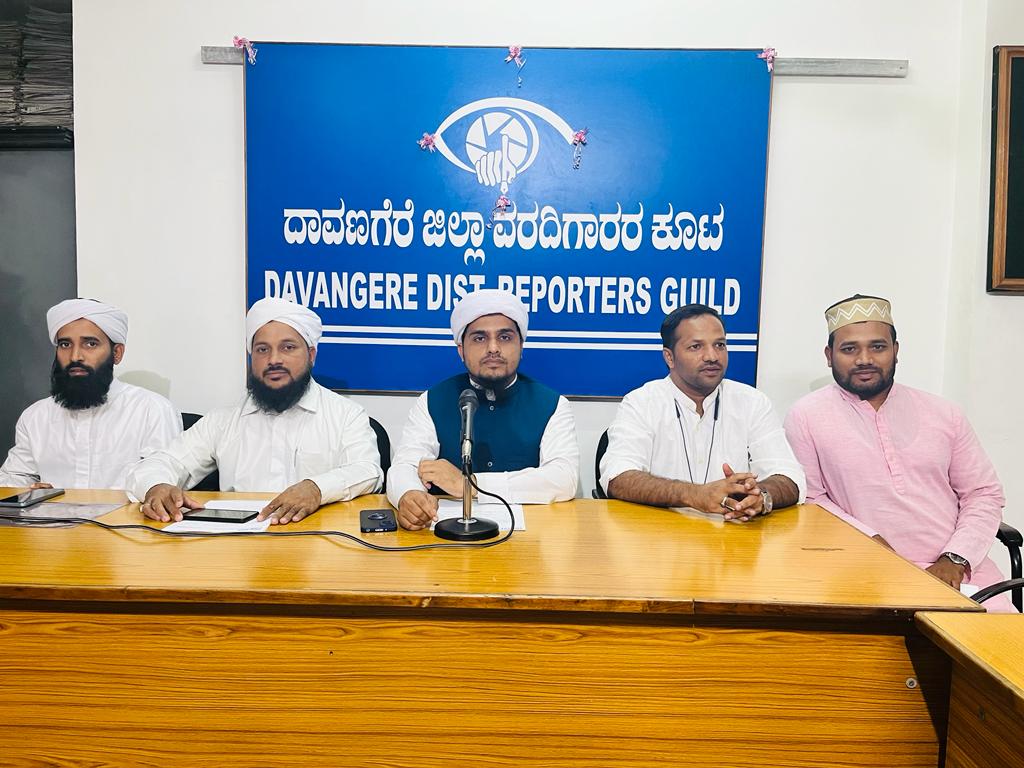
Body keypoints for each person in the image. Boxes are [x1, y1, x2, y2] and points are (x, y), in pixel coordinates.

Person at [784, 294, 1015, 611]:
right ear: (829, 355)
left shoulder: (943, 413)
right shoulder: (806, 416)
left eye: (877, 347)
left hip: (958, 574)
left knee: (1000, 638)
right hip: (862, 571)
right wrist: (869, 542)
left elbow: (983, 493)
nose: (864, 359)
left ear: (895, 350)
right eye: (849, 349)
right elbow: (811, 499)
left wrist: (955, 558)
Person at [129, 298, 382, 524]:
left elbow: (368, 471)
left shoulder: (346, 415)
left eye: (288, 347)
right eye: (262, 349)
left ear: (311, 355)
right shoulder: (223, 420)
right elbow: (164, 462)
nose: (274, 360)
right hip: (240, 548)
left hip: (317, 545)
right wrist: (156, 486)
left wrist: (316, 488)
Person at [387, 288, 579, 530]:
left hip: (529, 541)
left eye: (505, 337)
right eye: (479, 338)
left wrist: (471, 484)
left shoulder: (552, 405)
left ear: (521, 346)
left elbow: (563, 478)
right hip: (448, 540)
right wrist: (409, 495)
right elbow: (405, 466)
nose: (493, 348)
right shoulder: (432, 401)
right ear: (461, 350)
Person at [600, 304, 804, 520]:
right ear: (669, 357)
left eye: (720, 345)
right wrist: (694, 495)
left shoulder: (752, 403)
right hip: (660, 533)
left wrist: (759, 496)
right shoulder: (641, 403)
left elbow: (790, 477)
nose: (712, 356)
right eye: (696, 346)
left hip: (734, 534)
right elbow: (617, 477)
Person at [0, 298, 181, 490]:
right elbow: (14, 478)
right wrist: (26, 491)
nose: (75, 356)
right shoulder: (35, 417)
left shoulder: (151, 411)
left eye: (90, 344)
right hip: (50, 511)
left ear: (117, 353)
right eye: (65, 345)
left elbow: (164, 484)